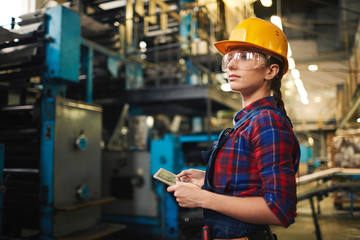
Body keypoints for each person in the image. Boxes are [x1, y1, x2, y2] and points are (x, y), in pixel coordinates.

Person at [167, 17, 300, 240]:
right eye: (229, 58)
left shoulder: (267, 122)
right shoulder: (247, 122)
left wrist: (203, 198)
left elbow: (279, 210)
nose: (230, 65)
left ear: (271, 71)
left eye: (245, 56)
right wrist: (208, 179)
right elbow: (248, 183)